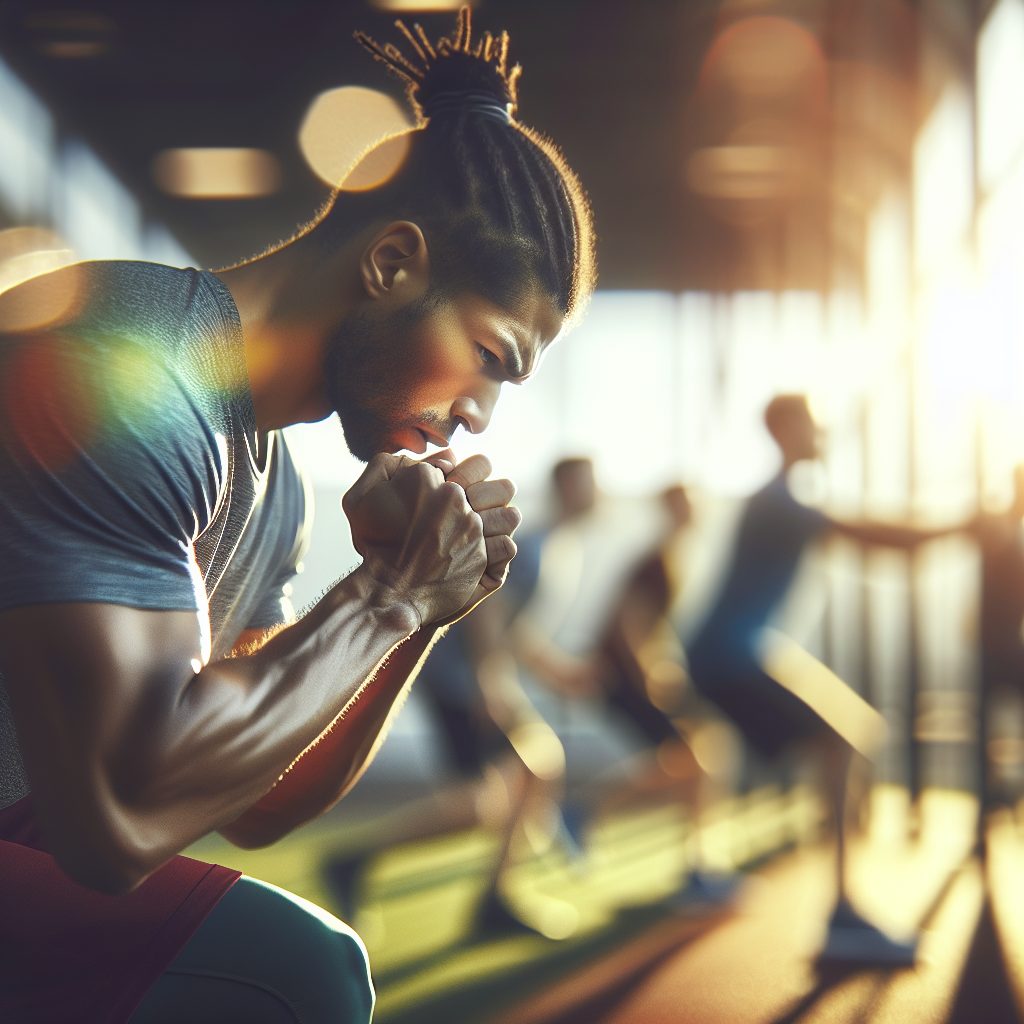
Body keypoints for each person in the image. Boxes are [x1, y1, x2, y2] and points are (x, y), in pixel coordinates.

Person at [0, 7, 596, 1022]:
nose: (480, 413)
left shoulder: (271, 484)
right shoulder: (124, 369)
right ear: (391, 264)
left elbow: (257, 799)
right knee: (302, 968)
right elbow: (116, 816)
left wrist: (422, 608)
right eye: (491, 358)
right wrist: (388, 594)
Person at [686, 393, 973, 966]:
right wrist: (966, 525)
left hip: (733, 654)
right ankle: (843, 916)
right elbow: (882, 541)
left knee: (841, 741)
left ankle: (715, 875)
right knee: (845, 742)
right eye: (813, 428)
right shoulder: (781, 502)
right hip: (729, 657)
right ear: (787, 430)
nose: (822, 438)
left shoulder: (781, 499)